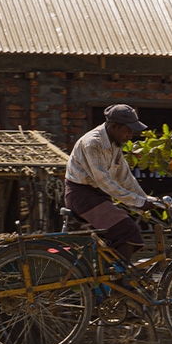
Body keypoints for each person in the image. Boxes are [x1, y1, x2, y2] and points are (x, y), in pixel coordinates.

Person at [65, 104, 159, 260]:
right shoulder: (93, 143)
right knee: (127, 230)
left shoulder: (114, 143)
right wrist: (137, 201)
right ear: (114, 126)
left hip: (98, 196)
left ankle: (108, 277)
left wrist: (144, 199)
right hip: (82, 196)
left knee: (113, 239)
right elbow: (104, 182)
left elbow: (125, 177)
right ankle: (120, 280)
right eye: (128, 131)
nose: (131, 135)